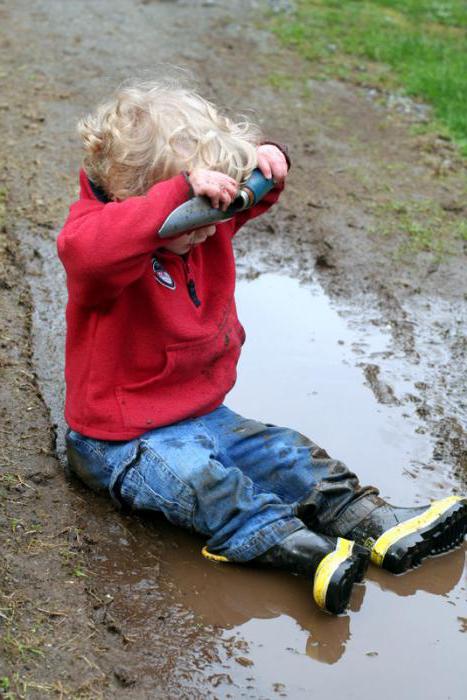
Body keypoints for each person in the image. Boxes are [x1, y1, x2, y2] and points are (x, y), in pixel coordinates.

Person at [57, 79, 466, 616]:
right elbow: (92, 250)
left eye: (216, 213)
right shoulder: (100, 242)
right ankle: (297, 550)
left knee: (286, 453)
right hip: (121, 439)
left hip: (205, 415)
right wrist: (179, 198)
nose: (210, 229)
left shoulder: (207, 226)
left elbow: (258, 193)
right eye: (196, 215)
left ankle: (374, 523)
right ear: (139, 199)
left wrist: (263, 162)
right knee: (205, 484)